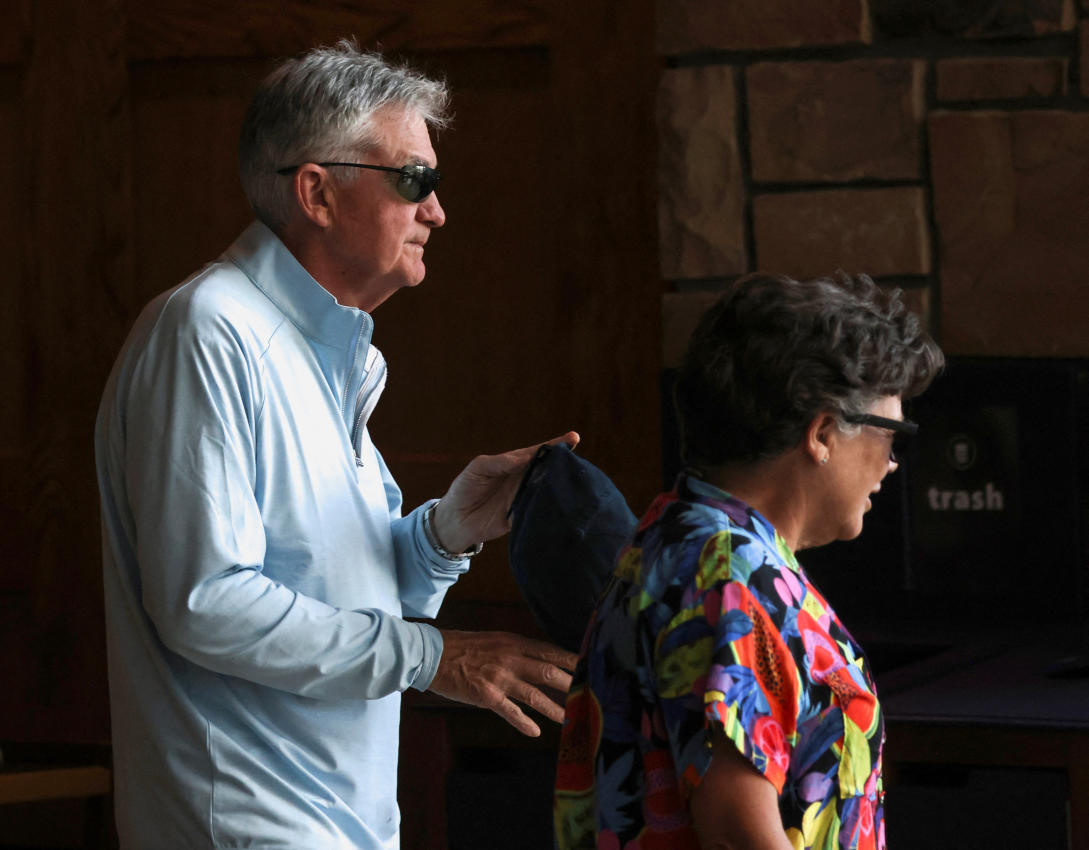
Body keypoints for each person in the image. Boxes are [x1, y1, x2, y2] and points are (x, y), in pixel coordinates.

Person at [95, 41, 578, 849]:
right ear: (317, 193)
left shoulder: (333, 351)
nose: (437, 211)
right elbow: (204, 602)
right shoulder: (209, 329)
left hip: (335, 821)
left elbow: (340, 594)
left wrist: (443, 535)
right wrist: (435, 657)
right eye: (413, 181)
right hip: (246, 826)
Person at [553, 272, 944, 850]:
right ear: (823, 433)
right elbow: (739, 835)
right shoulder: (729, 577)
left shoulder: (685, 536)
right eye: (894, 436)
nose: (892, 464)